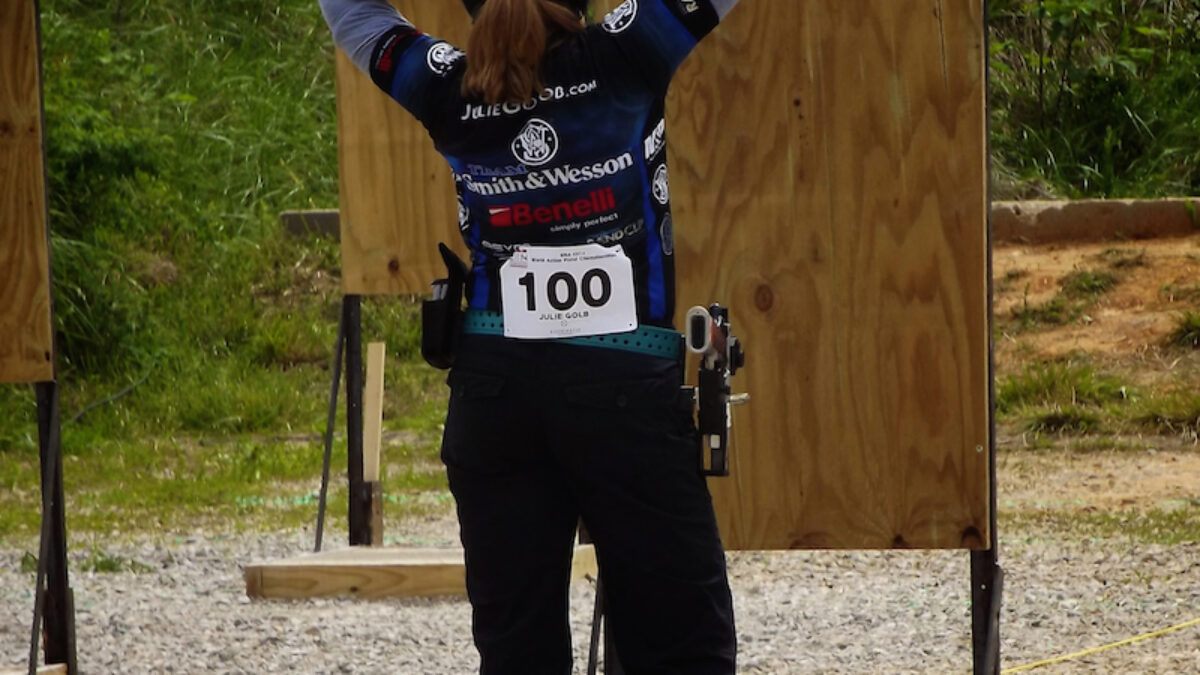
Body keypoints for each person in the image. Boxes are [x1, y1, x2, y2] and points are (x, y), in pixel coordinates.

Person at [320, 0, 742, 672]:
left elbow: (358, 19)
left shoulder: (449, 86)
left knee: (518, 651)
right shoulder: (627, 50)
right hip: (622, 388)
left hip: (494, 394)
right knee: (680, 644)